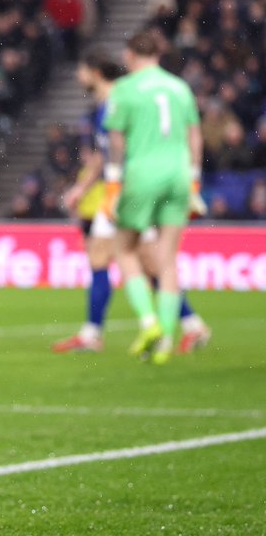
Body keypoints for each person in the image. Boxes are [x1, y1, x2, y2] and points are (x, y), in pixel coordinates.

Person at [57, 52, 210, 354]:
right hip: (123, 190)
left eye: (80, 70)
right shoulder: (109, 103)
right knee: (101, 256)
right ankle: (93, 333)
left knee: (149, 263)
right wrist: (82, 187)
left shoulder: (122, 98)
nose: (77, 76)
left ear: (95, 72)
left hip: (134, 190)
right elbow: (105, 153)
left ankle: (189, 325)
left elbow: (127, 148)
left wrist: (121, 189)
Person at [103, 32, 205, 364]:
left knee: (125, 248)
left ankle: (149, 323)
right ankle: (166, 342)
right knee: (167, 257)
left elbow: (116, 141)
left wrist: (113, 185)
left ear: (131, 55)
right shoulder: (179, 87)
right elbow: (194, 134)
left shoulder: (125, 88)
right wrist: (193, 179)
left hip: (143, 174)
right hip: (178, 174)